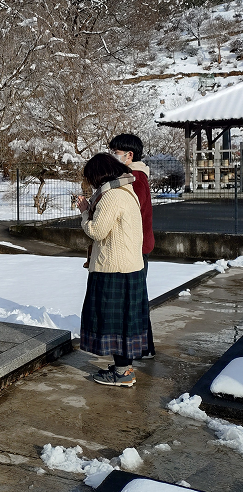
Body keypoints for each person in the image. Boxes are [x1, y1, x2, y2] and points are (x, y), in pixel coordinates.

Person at [76, 153, 149, 387]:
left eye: (91, 178)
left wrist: (84, 212)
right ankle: (124, 368)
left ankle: (122, 373)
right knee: (125, 322)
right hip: (129, 266)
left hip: (114, 269)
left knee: (113, 322)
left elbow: (96, 231)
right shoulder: (126, 190)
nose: (91, 183)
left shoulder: (111, 196)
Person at [108, 133, 156, 359]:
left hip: (134, 247)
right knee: (137, 298)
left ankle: (141, 348)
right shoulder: (135, 176)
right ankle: (145, 347)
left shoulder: (134, 178)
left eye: (115, 153)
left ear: (129, 155)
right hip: (139, 245)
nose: (112, 156)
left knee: (133, 300)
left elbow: (130, 213)